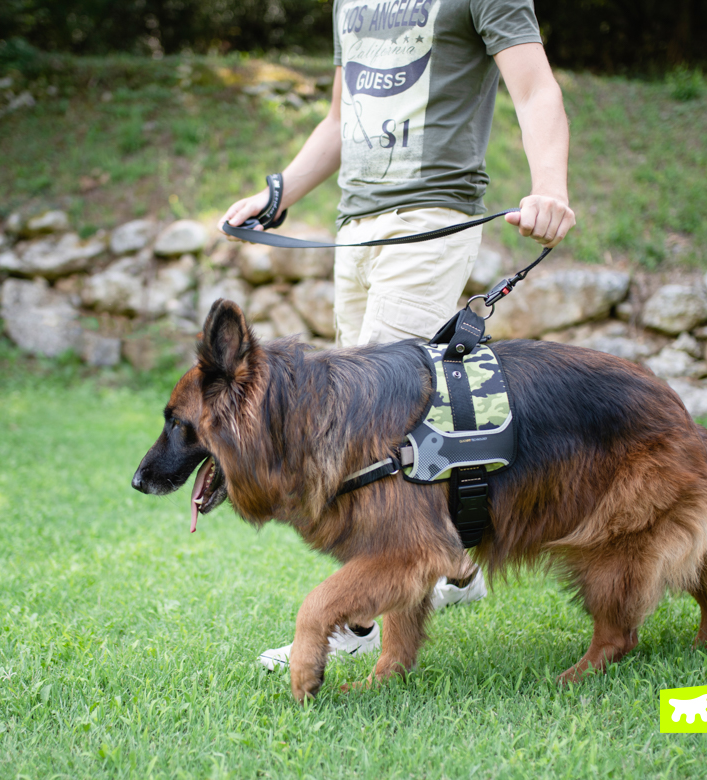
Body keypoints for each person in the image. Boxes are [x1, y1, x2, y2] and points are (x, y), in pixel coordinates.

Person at [218, 0, 575, 671]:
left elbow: (535, 87)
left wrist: (549, 185)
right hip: (354, 229)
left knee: (366, 430)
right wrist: (279, 190)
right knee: (377, 429)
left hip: (435, 217)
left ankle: (351, 621)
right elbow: (339, 118)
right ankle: (459, 568)